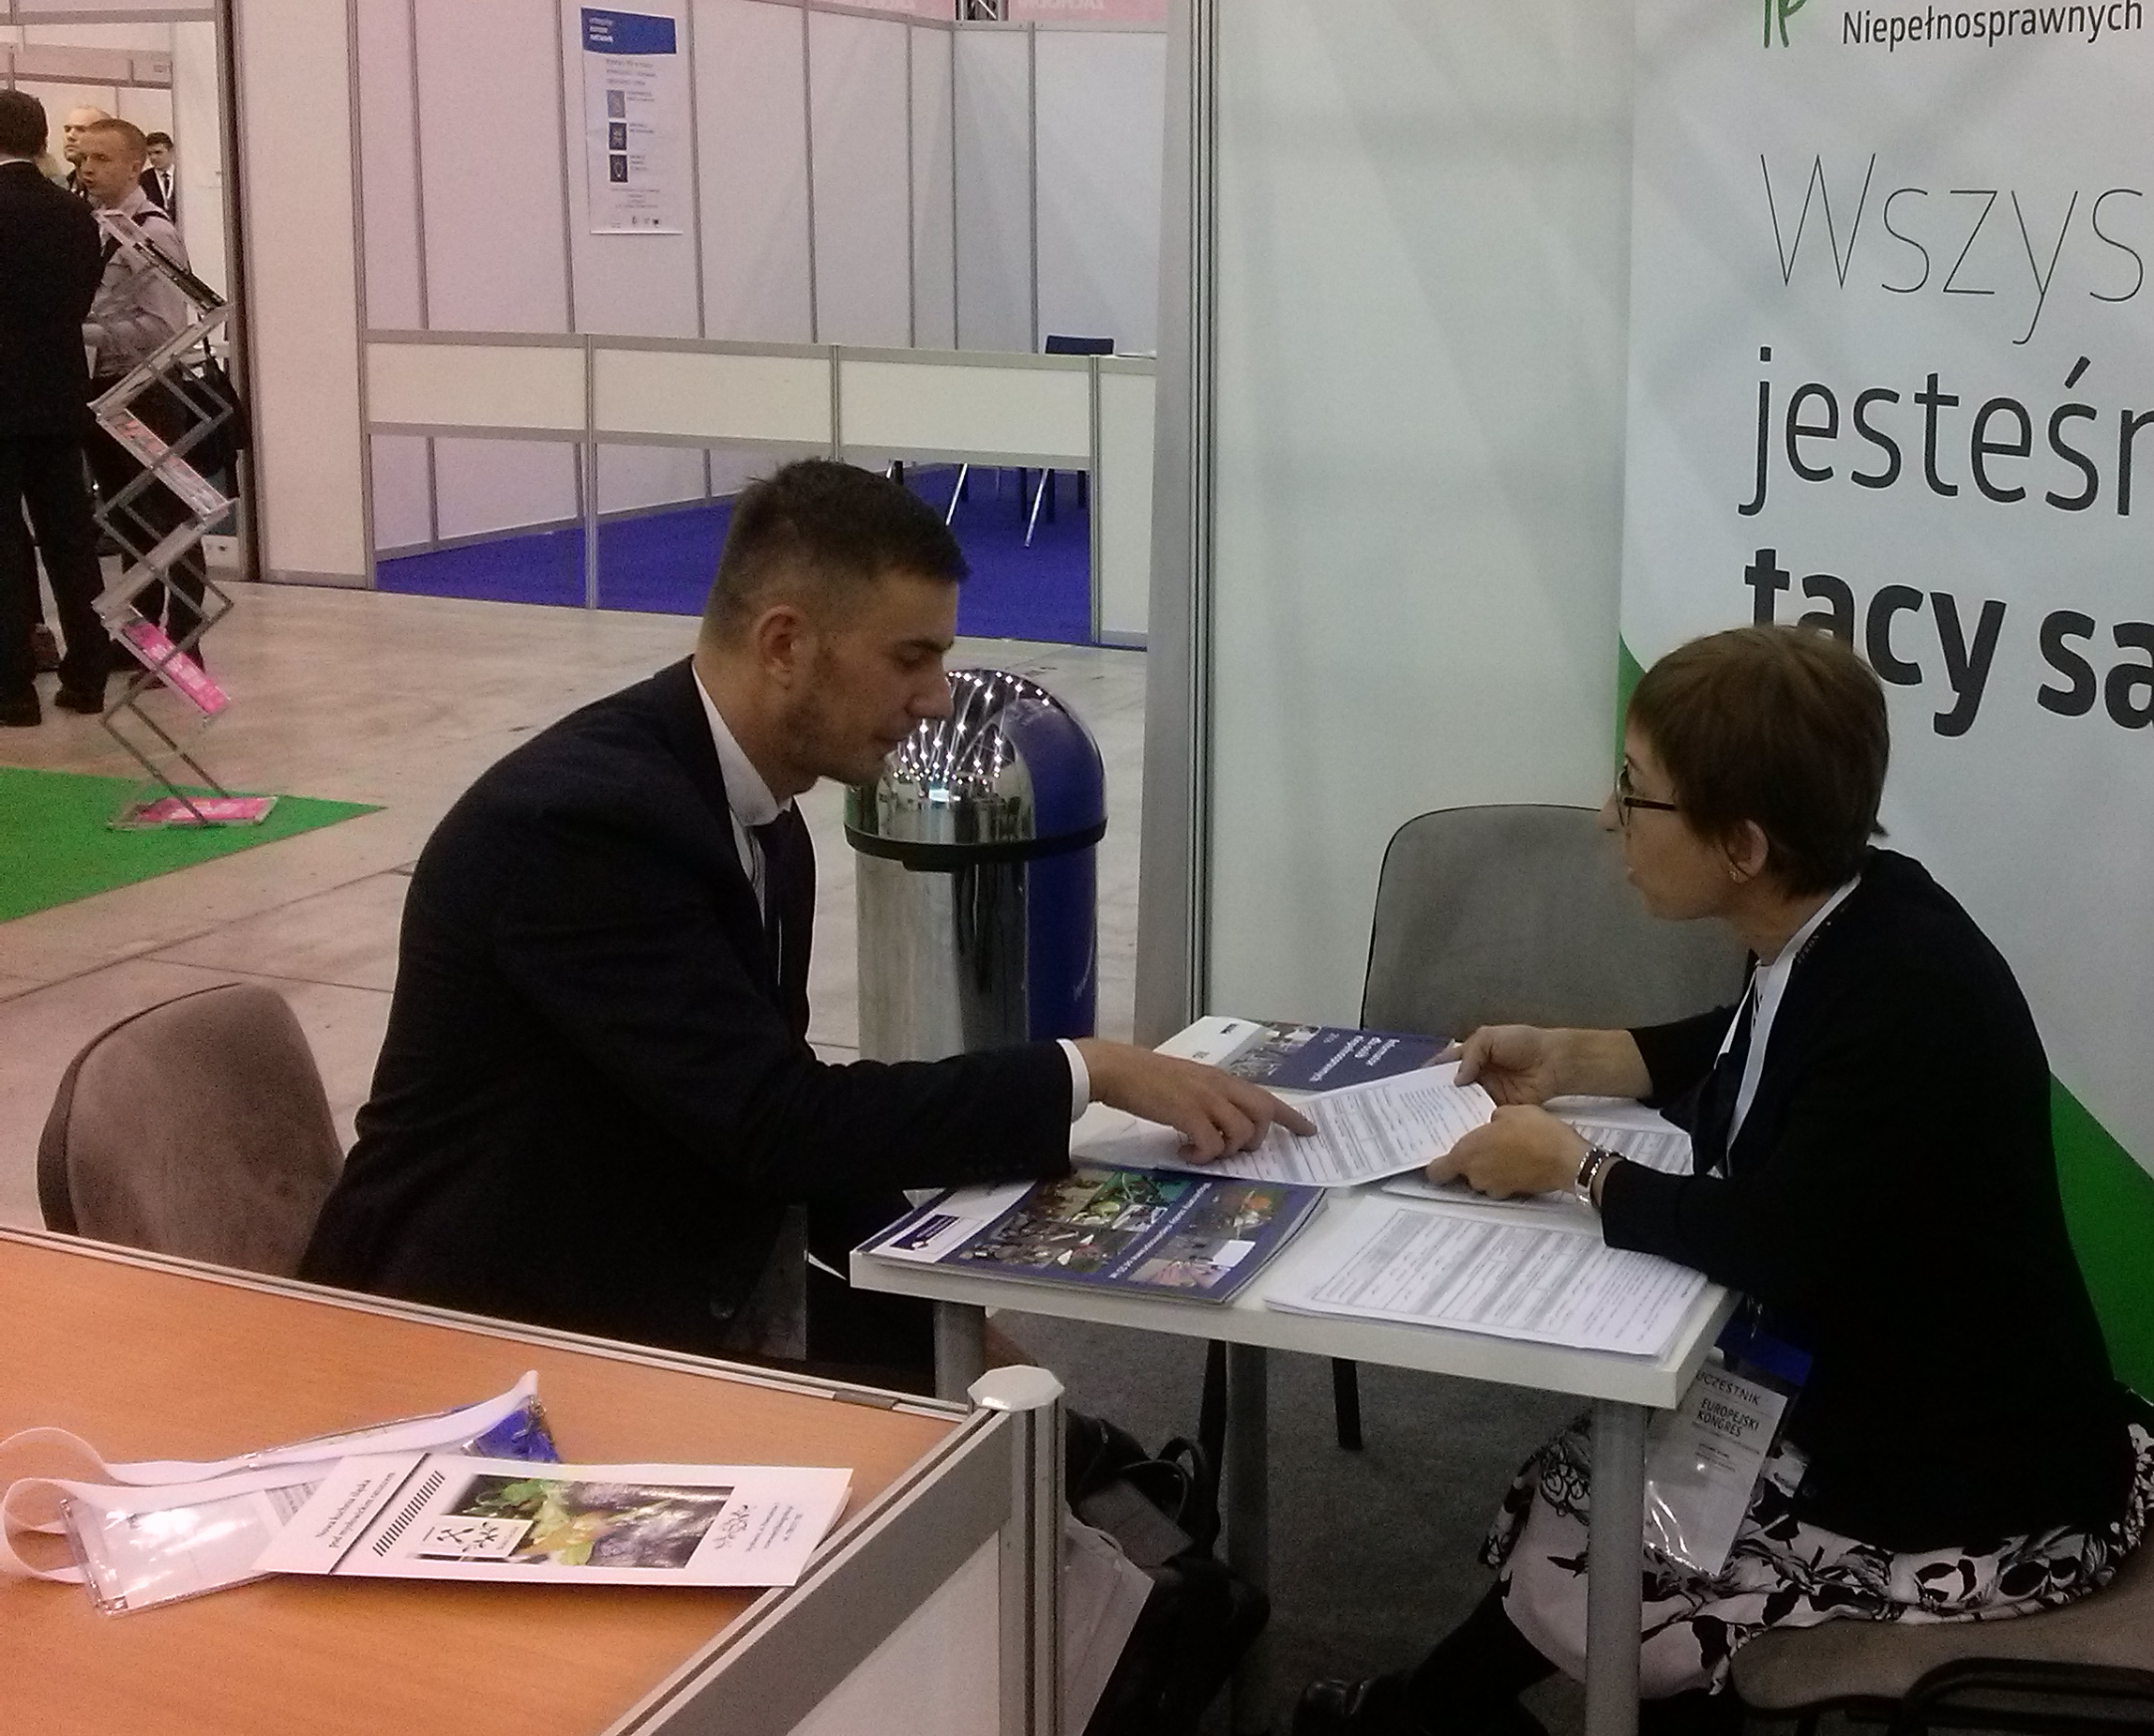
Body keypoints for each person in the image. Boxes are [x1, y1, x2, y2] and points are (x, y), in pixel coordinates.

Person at [1295, 626, 2154, 1736]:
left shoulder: (1906, 1000)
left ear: (1743, 845)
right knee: (1603, 1493)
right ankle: (1440, 1726)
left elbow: (1775, 1243)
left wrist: (1579, 1171)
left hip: (1976, 1488)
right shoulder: (1850, 916)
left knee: (1614, 1542)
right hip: (1880, 1399)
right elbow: (1750, 1048)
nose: (1608, 818)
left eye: (1635, 792)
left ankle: (1432, 1727)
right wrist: (1577, 1055)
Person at [302, 460, 1309, 1374]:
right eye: (910, 658)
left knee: (1046, 1445)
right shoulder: (580, 827)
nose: (936, 698)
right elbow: (775, 1125)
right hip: (480, 1333)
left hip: (669, 1272)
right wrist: (1088, 1070)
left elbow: (786, 1125)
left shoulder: (757, 813)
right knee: (990, 1466)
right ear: (784, 644)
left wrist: (935, 1298)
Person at [70, 115, 210, 651]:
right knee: (127, 518)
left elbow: (164, 328)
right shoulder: (92, 225)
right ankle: (140, 640)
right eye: (83, 159)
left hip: (146, 391)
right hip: (102, 390)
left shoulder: (152, 232)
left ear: (136, 166)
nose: (88, 169)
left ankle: (186, 639)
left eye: (101, 159)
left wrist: (83, 331)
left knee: (168, 516)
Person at [0, 89, 115, 726]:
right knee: (70, 536)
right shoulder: (75, 214)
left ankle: (13, 687)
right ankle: (89, 673)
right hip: (58, 392)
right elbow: (79, 301)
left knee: (4, 543)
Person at [139, 130, 176, 220]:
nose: (153, 158)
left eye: (158, 152)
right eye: (149, 154)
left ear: (171, 151)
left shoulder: (183, 176)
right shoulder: (143, 179)